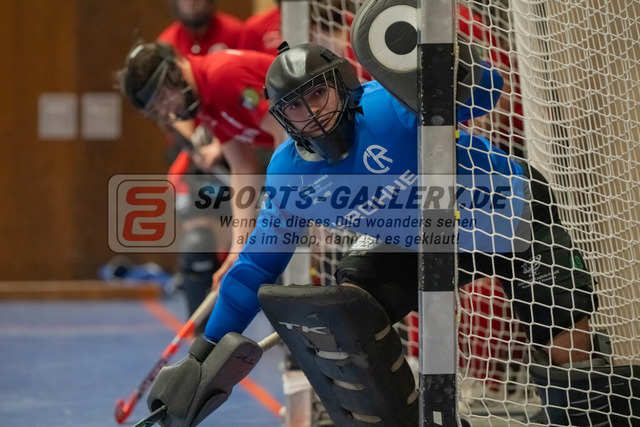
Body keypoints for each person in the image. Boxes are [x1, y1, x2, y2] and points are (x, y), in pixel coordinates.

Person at [145, 43, 636, 427]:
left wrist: (461, 68)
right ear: (280, 117)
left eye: (317, 93)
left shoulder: (392, 105)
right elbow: (256, 266)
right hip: (420, 233)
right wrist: (202, 357)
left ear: (341, 85)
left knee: (566, 344)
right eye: (295, 106)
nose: (311, 111)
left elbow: (489, 93)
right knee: (349, 306)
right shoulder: (290, 175)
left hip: (503, 211)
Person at [118, 42, 284, 295]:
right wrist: (238, 247)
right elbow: (242, 166)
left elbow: (286, 132)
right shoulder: (204, 101)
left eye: (162, 97)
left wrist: (281, 207)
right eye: (156, 107)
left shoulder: (221, 77)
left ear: (175, 70)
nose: (166, 110)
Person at [152, 0, 243, 317]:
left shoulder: (235, 32)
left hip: (240, 139)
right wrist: (200, 143)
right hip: (193, 150)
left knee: (253, 240)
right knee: (198, 243)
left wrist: (224, 141)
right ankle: (200, 334)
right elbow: (168, 106)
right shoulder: (167, 43)